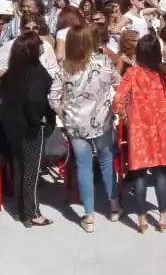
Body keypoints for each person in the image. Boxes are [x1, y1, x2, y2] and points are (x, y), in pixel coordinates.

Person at [48, 24, 122, 233]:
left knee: (84, 167)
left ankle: (88, 215)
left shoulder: (64, 68)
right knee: (107, 162)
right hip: (102, 120)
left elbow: (53, 98)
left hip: (76, 124)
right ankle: (114, 205)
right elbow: (118, 83)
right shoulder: (103, 62)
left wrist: (64, 112)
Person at [113, 34, 166, 233]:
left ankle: (141, 219)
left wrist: (124, 114)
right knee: (160, 174)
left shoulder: (132, 73)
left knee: (139, 174)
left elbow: (118, 100)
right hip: (164, 129)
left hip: (140, 129)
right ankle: (163, 217)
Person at [0, 31, 56, 227]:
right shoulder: (37, 73)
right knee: (31, 169)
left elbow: (2, 96)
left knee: (19, 165)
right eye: (39, 43)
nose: (42, 45)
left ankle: (19, 209)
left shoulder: (11, 73)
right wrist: (40, 119)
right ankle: (32, 212)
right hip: (30, 126)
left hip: (12, 124)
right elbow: (37, 100)